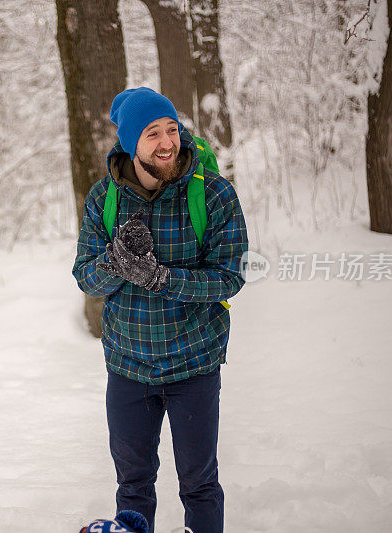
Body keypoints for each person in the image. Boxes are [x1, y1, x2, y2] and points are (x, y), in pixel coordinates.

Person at [72, 87, 248, 533]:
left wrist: (160, 278)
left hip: (194, 364)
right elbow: (86, 277)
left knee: (199, 483)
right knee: (132, 485)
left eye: (172, 129)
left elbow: (230, 277)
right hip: (128, 368)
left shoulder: (212, 195)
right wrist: (118, 262)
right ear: (131, 143)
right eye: (153, 133)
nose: (168, 141)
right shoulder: (103, 199)